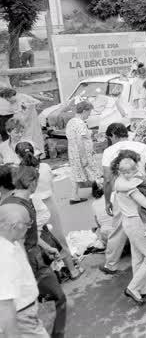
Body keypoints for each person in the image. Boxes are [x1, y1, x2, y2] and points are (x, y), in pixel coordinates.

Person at [2, 166, 67, 338]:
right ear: (32, 183)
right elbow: (20, 243)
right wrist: (27, 272)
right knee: (58, 298)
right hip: (31, 261)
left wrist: (47, 247)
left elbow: (29, 235)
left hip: (32, 258)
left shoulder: (12, 201)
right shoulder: (20, 208)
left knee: (47, 300)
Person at [100, 123, 146, 276]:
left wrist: (107, 201)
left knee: (119, 229)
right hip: (144, 191)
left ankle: (111, 264)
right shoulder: (142, 147)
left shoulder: (109, 151)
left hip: (123, 196)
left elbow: (108, 180)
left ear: (112, 136)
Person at [15, 142, 83, 279]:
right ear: (34, 152)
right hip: (49, 204)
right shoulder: (45, 167)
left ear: (17, 156)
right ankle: (72, 270)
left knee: (36, 242)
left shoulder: (18, 173)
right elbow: (51, 186)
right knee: (58, 238)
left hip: (30, 208)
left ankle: (50, 276)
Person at [110, 151, 146, 305]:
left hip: (129, 223)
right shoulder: (131, 185)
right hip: (137, 223)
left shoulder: (120, 180)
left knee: (138, 258)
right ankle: (133, 288)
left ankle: (141, 288)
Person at [0, 203, 50, 337]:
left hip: (26, 312)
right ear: (15, 226)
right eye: (27, 224)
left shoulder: (11, 241)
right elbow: (5, 305)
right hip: (21, 316)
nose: (29, 228)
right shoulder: (4, 255)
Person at [113, 157, 146, 237]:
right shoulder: (135, 175)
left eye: (128, 173)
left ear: (134, 170)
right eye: (123, 173)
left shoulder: (136, 178)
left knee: (141, 209)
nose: (126, 175)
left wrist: (118, 187)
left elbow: (129, 187)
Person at [64, 101, 99, 205]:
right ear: (84, 111)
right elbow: (80, 141)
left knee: (77, 173)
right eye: (89, 112)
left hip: (73, 152)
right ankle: (98, 190)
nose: (89, 115)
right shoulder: (80, 123)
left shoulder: (71, 121)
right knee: (93, 171)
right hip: (82, 153)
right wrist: (84, 156)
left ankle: (74, 196)